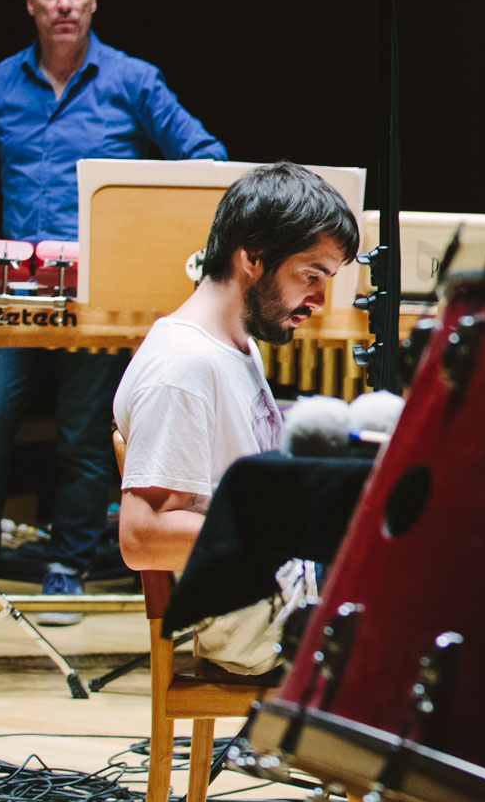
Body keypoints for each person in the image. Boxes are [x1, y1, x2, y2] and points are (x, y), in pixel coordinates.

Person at [0, 0, 226, 621]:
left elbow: (205, 159)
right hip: (13, 292)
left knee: (85, 435)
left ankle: (69, 563)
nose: (63, 3)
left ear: (93, 0)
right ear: (30, 4)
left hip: (99, 293)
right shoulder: (1, 84)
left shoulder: (133, 80)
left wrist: (156, 251)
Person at [114, 162, 357, 675]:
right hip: (259, 626)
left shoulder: (236, 344)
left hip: (286, 587)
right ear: (252, 256)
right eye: (311, 275)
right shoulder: (184, 367)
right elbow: (142, 537)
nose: (319, 299)